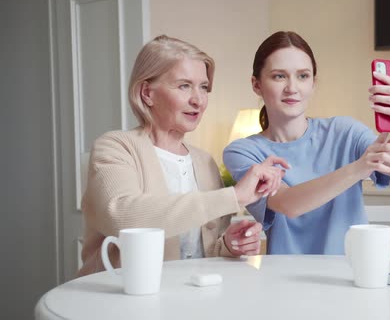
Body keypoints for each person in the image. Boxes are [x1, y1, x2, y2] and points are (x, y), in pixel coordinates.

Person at [78, 35, 287, 276]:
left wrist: (229, 245)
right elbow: (124, 218)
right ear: (147, 93)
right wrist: (234, 196)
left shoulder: (205, 162)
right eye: (184, 85)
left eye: (204, 87)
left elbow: (204, 250)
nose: (198, 100)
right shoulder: (115, 147)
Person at [223, 31, 390, 255]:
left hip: (351, 275)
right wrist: (358, 168)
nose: (292, 87)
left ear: (313, 83)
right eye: (279, 76)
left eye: (303, 76)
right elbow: (287, 204)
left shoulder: (345, 131)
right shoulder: (243, 152)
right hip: (284, 280)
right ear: (256, 85)